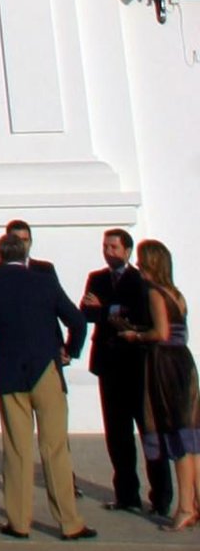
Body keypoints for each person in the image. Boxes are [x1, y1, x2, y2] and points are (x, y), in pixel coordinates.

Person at [0, 229, 94, 541]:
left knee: (17, 449)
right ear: (25, 253)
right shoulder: (44, 281)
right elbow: (77, 321)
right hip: (46, 367)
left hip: (9, 370)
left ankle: (19, 521)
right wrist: (70, 350)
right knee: (55, 448)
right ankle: (69, 522)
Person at [79, 227, 171, 517]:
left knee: (149, 431)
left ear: (127, 251)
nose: (108, 252)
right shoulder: (97, 278)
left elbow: (140, 314)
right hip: (108, 364)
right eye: (105, 247)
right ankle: (126, 494)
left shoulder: (139, 279)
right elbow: (87, 313)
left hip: (137, 364)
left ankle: (161, 496)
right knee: (117, 433)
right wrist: (113, 311)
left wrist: (106, 309)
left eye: (114, 247)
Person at [130, 241, 200, 530]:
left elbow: (161, 332)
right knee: (191, 434)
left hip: (166, 364)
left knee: (177, 434)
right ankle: (195, 502)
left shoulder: (155, 293)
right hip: (183, 361)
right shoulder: (176, 293)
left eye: (141, 260)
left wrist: (136, 335)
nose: (137, 264)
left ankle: (184, 507)